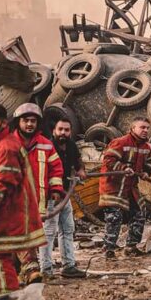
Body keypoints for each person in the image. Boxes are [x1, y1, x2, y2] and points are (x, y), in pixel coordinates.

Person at [0, 102, 46, 294]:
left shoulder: (6, 147)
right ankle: (8, 298)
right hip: (1, 216)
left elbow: (5, 180)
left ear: (4, 122)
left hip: (6, 216)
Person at [12, 103, 63, 284]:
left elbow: (56, 169)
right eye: (26, 121)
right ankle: (31, 268)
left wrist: (56, 188)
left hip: (37, 201)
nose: (29, 124)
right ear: (18, 122)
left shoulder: (46, 145)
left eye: (33, 121)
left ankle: (20, 271)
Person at [99, 118, 151, 259]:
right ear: (133, 128)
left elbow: (149, 162)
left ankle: (131, 247)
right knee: (114, 217)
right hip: (113, 186)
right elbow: (108, 160)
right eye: (142, 127)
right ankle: (108, 249)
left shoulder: (146, 147)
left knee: (139, 214)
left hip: (130, 187)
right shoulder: (120, 142)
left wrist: (146, 172)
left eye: (147, 128)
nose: (145, 130)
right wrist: (124, 168)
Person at [41, 118, 86, 278]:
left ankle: (69, 266)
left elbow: (78, 162)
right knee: (49, 232)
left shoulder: (72, 146)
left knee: (68, 229)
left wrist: (80, 170)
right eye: (60, 129)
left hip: (65, 194)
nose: (63, 133)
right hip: (51, 196)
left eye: (66, 130)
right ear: (54, 131)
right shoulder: (48, 147)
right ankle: (45, 269)